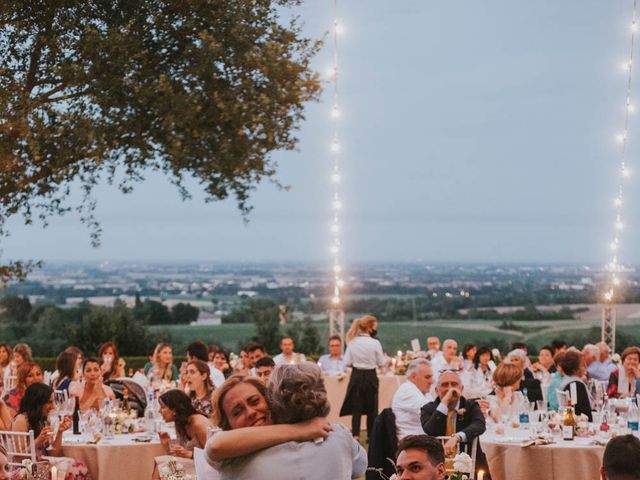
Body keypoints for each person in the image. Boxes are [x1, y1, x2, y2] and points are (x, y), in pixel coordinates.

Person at [208, 364, 366, 480]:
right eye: (237, 412)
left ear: (270, 400)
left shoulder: (234, 461)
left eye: (255, 401)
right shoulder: (337, 434)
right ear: (226, 424)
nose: (250, 413)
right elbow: (215, 446)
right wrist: (299, 430)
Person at [12, 383, 90, 479]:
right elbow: (18, 457)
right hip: (26, 470)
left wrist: (60, 432)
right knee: (77, 469)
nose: (53, 406)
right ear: (37, 402)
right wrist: (38, 440)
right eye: (50, 402)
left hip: (42, 464)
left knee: (79, 466)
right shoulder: (22, 420)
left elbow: (53, 454)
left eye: (53, 402)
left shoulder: (42, 420)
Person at [339, 315, 386, 440]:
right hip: (371, 375)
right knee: (372, 408)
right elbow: (381, 363)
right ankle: (371, 435)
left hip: (356, 375)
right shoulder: (375, 343)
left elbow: (346, 362)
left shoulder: (352, 342)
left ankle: (355, 435)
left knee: (356, 408)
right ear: (370, 328)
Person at [420, 371, 486, 457]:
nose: (450, 389)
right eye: (444, 385)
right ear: (436, 390)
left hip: (470, 463)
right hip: (439, 464)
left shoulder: (471, 406)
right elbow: (431, 430)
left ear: (461, 389)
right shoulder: (428, 409)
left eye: (454, 384)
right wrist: (445, 402)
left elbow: (479, 425)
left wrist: (457, 438)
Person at [392, 359, 434, 439]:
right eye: (427, 377)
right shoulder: (407, 391)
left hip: (422, 440)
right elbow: (434, 414)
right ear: (414, 377)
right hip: (410, 443)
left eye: (431, 377)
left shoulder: (425, 393)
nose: (431, 381)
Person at [559, 350, 592, 421]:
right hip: (582, 425)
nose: (586, 367)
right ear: (574, 370)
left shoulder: (565, 381)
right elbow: (586, 413)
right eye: (583, 365)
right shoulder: (576, 386)